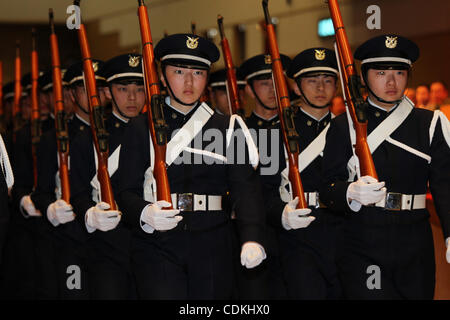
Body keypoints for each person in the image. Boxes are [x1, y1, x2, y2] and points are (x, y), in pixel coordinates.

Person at [114, 33, 266, 299]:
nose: (188, 82)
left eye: (197, 72)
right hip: (156, 242)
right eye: (178, 71)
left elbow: (245, 189)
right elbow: (125, 191)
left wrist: (251, 236)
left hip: (212, 240)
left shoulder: (228, 127)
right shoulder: (140, 127)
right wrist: (144, 212)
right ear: (162, 77)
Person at [319, 34, 450, 299]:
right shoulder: (345, 125)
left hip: (415, 241)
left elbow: (445, 184)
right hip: (363, 240)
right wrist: (349, 192)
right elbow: (326, 187)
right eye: (381, 73)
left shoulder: (431, 123)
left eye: (399, 72)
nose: (391, 82)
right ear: (364, 77)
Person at [261, 47, 343, 299]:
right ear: (295, 87)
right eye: (312, 81)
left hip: (343, 234)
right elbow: (263, 191)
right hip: (297, 237)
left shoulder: (350, 129)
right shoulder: (273, 132)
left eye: (328, 81)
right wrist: (281, 214)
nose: (320, 88)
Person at [69, 54, 146, 299]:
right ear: (108, 92)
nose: (132, 97)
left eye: (139, 89)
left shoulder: (160, 134)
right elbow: (79, 193)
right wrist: (89, 214)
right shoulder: (88, 138)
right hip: (107, 247)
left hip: (151, 243)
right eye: (123, 89)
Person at [29, 60, 105, 299]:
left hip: (110, 240)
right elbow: (40, 192)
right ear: (72, 94)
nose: (95, 96)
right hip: (71, 239)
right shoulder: (54, 139)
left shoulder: (120, 133)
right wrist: (51, 207)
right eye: (86, 89)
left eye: (100, 89)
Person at [237, 53, 291, 299]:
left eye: (277, 81)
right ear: (248, 89)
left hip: (293, 235)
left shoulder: (295, 128)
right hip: (252, 233)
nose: (273, 90)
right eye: (264, 83)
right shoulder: (238, 131)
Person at [241, 54, 291, 130]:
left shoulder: (293, 126)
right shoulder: (242, 129)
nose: (273, 89)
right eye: (265, 84)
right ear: (250, 90)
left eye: (277, 83)